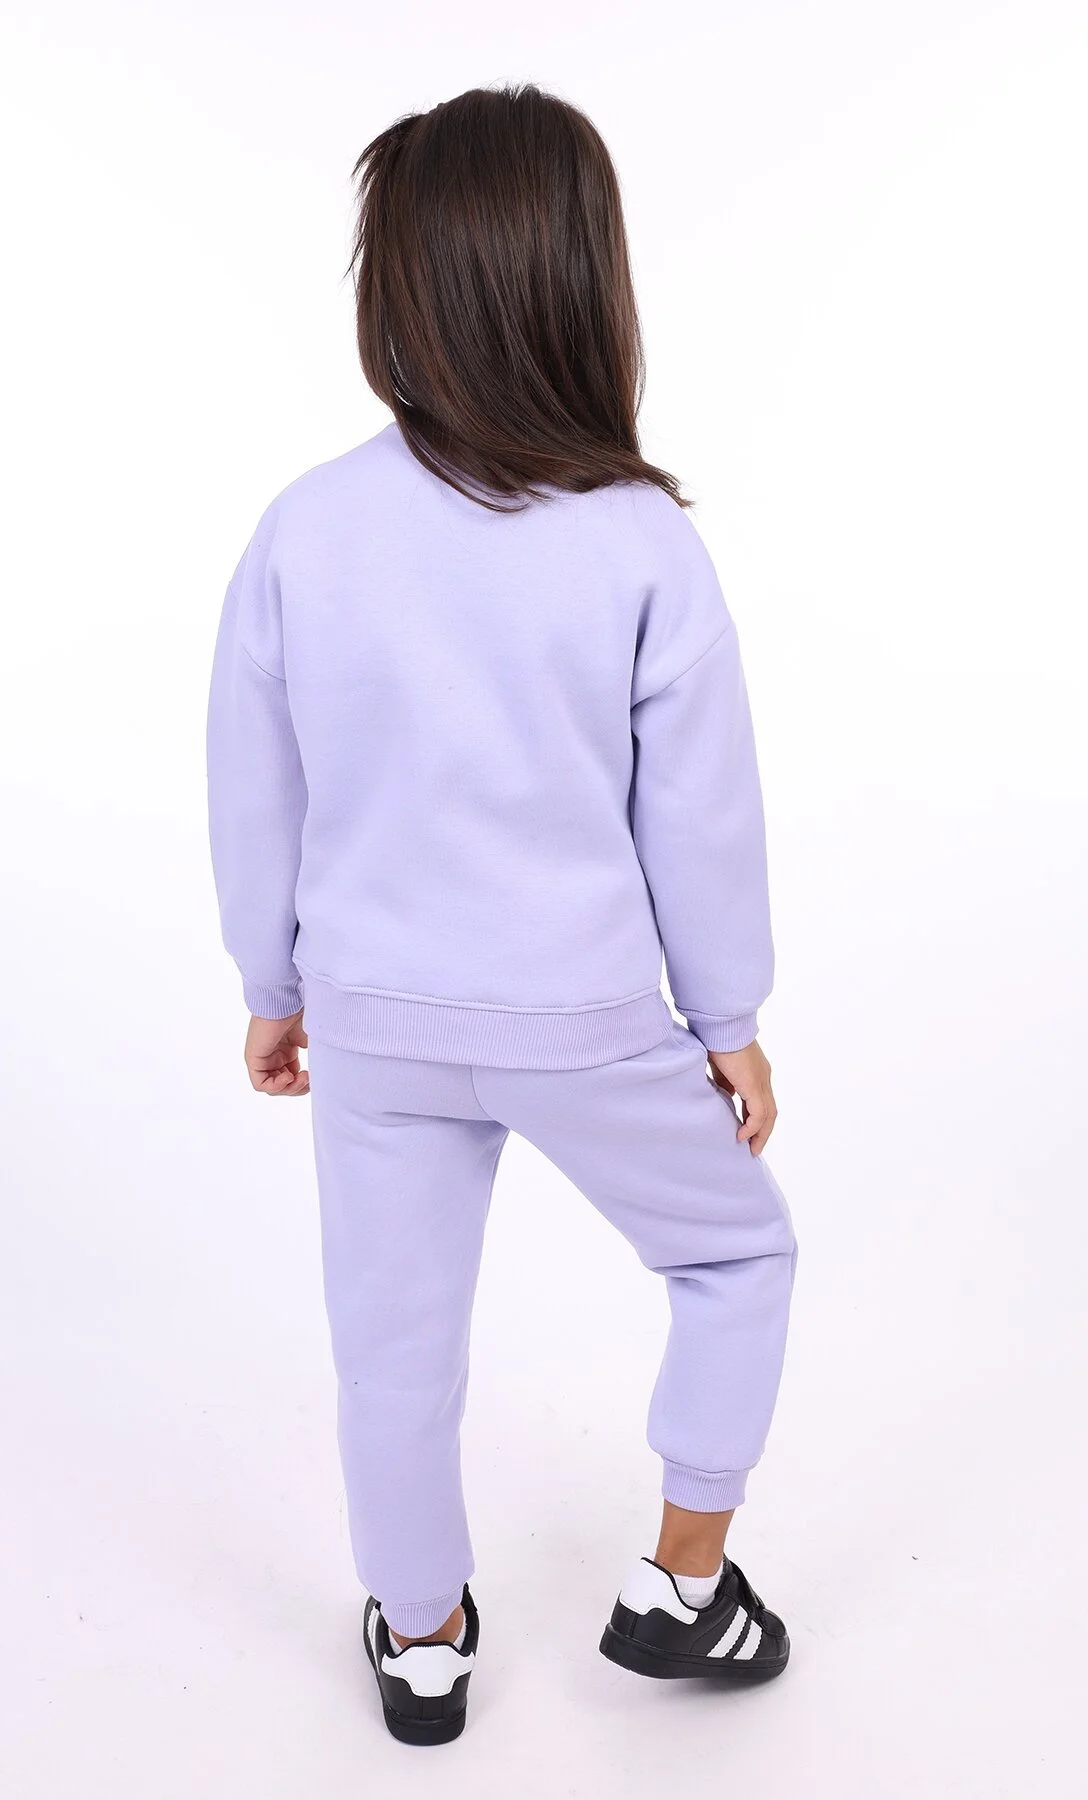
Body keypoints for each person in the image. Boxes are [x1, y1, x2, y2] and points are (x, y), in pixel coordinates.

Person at [206, 82, 800, 1747]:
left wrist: (273, 980)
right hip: (584, 1018)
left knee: (392, 1350)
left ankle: (421, 1637)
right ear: (585, 285)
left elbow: (255, 783)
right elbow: (701, 816)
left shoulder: (307, 528)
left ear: (396, 292)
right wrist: (731, 1021)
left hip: (376, 1022)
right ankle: (684, 1590)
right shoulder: (641, 544)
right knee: (737, 1251)